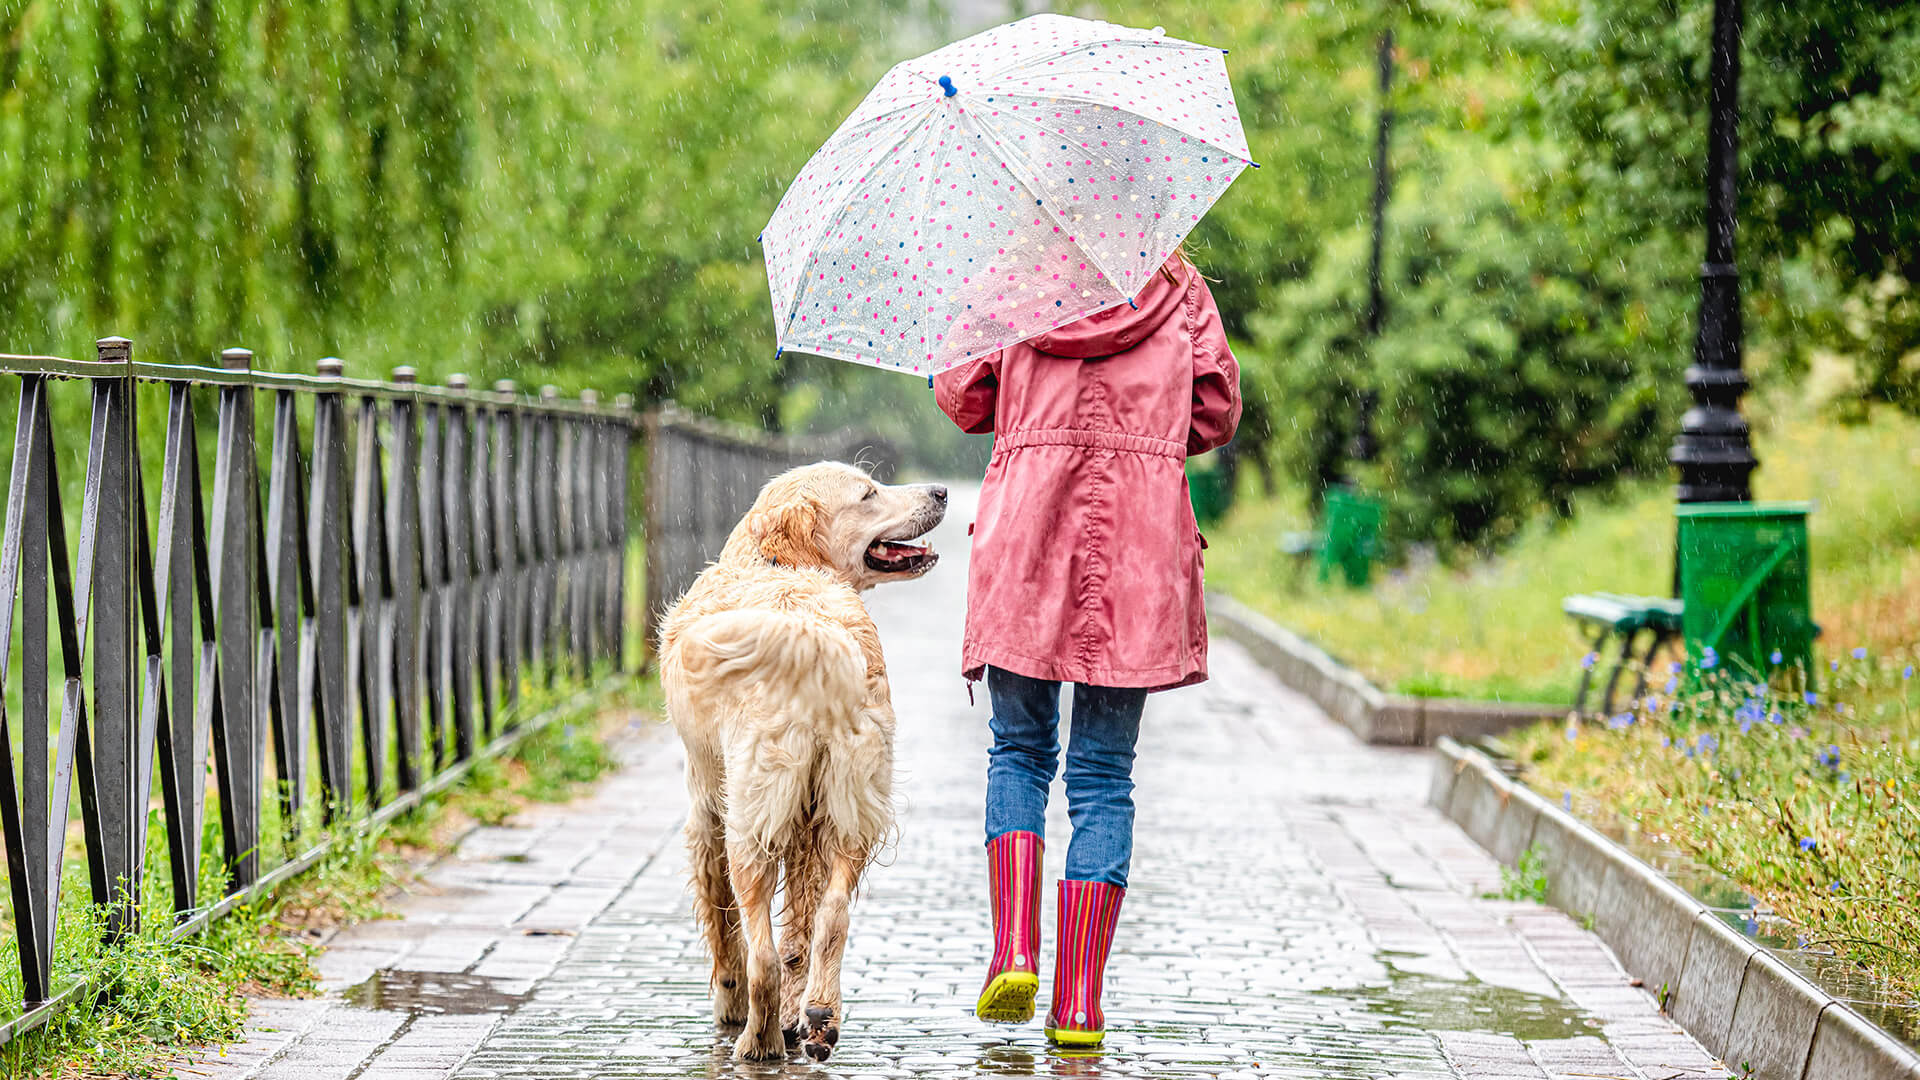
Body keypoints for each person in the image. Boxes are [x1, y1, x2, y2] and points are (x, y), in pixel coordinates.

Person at [931, 248, 1241, 1047]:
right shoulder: (1176, 286)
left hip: (1028, 534)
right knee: (1104, 775)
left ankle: (1013, 950)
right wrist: (1145, 430)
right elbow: (1214, 414)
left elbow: (964, 397)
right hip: (1137, 545)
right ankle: (1077, 1004)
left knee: (1019, 750)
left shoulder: (1010, 276)